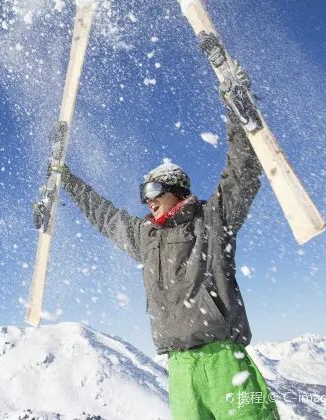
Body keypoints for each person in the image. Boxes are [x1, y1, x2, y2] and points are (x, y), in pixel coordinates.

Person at [43, 109, 281, 419]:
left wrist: (237, 112)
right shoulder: (146, 237)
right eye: (144, 195)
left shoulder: (210, 222)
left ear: (176, 190)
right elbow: (105, 216)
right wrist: (68, 181)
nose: (147, 201)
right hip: (179, 366)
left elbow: (241, 174)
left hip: (221, 358)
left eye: (153, 191)